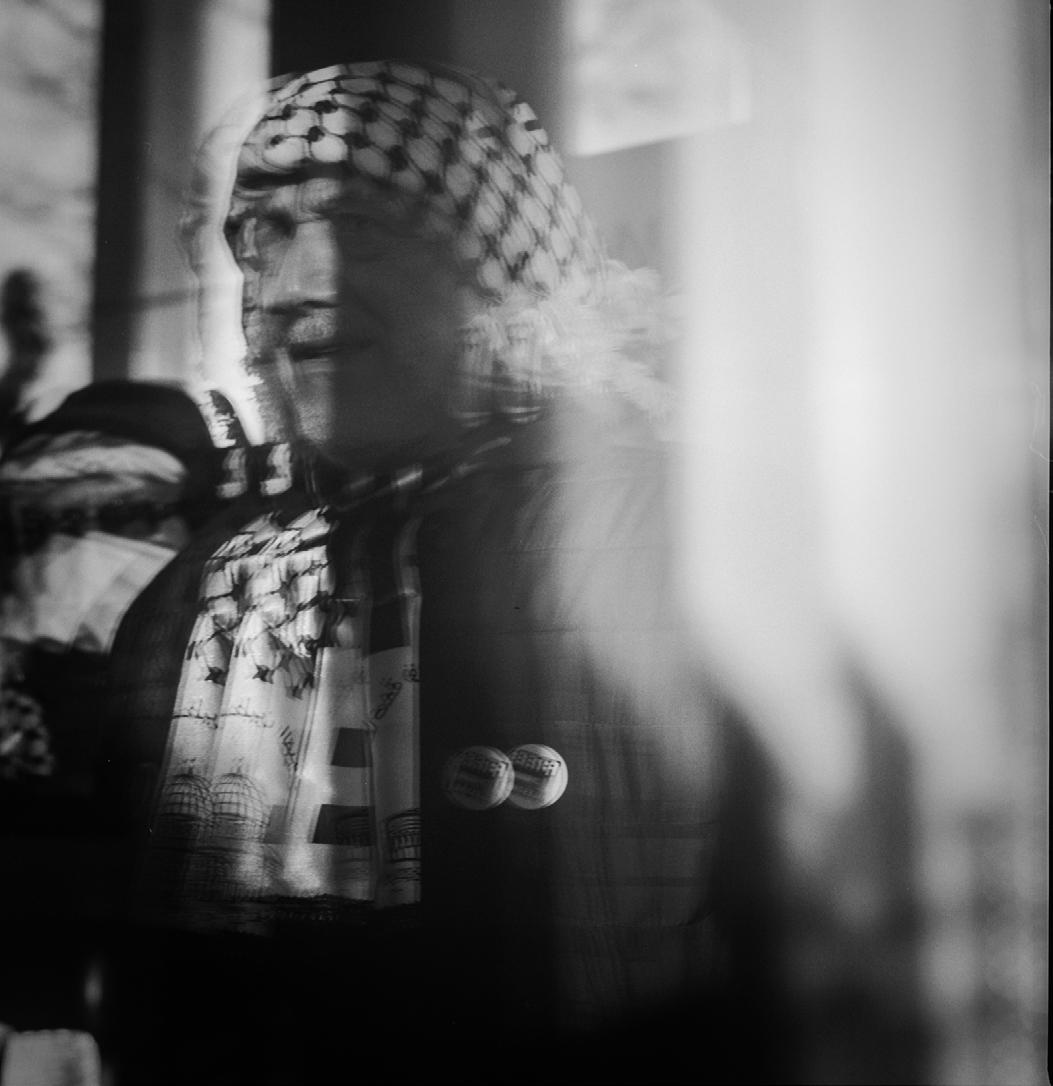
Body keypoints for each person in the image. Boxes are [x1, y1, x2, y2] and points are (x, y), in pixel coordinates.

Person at [78, 61, 732, 1084]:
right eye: (263, 236)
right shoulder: (204, 593)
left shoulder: (686, 532)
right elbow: (166, 976)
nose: (294, 287)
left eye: (364, 227)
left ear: (497, 272)